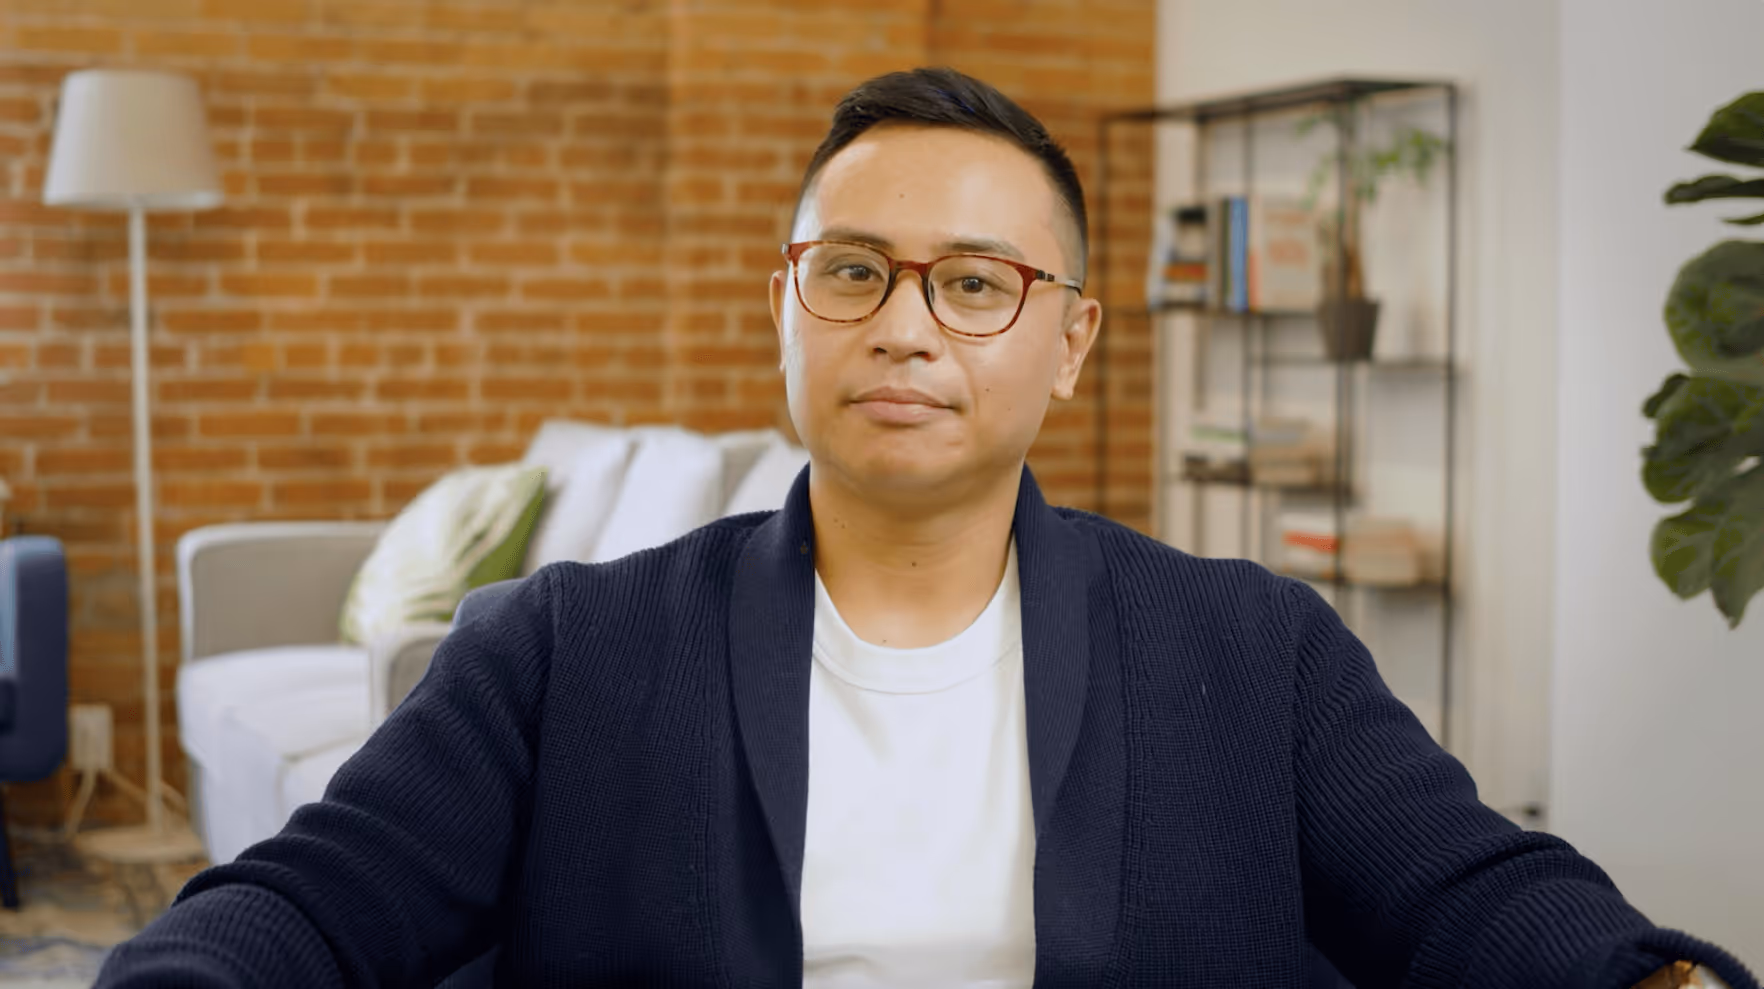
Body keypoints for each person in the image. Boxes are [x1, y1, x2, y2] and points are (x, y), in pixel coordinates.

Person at [96, 66, 1756, 989]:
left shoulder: (1251, 647)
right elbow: (316, 902)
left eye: (975, 285)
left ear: (1073, 340)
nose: (904, 328)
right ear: (785, 307)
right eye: (853, 272)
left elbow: (1473, 894)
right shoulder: (561, 649)